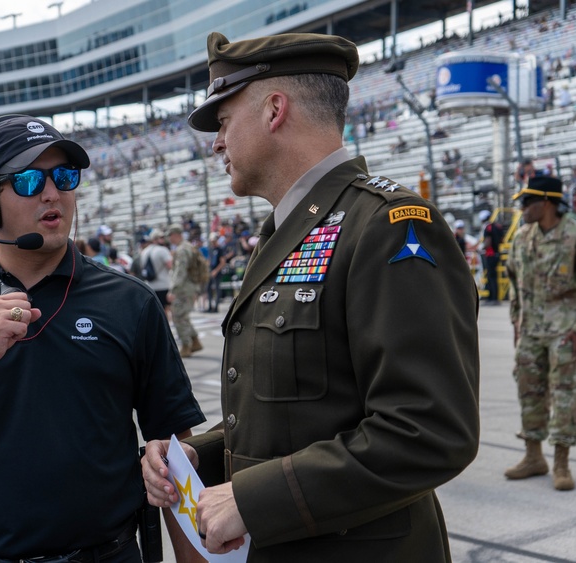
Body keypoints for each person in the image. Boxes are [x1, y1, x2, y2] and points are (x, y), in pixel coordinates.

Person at [141, 33, 479, 561]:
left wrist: (253, 501)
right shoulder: (286, 231)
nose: (216, 142)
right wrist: (197, 456)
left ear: (274, 110)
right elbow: (291, 418)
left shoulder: (386, 226)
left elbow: (429, 432)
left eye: (224, 121)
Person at [0, 114, 205, 563]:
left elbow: (173, 456)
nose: (53, 193)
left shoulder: (131, 302)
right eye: (29, 180)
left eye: (65, 176)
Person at [505, 176, 576, 491]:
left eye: (528, 202)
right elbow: (515, 282)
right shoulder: (522, 238)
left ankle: (561, 463)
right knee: (529, 393)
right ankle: (533, 457)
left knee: (565, 394)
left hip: (565, 332)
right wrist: (516, 321)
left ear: (548, 203)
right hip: (530, 332)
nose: (522, 208)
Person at [166, 224, 202, 357]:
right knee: (183, 316)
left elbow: (180, 271)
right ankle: (195, 341)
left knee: (178, 316)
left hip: (183, 288)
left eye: (170, 236)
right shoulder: (189, 247)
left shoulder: (181, 250)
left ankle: (186, 346)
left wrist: (173, 290)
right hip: (190, 287)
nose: (169, 239)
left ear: (175, 235)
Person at [140, 227, 173, 309]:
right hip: (163, 285)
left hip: (150, 286)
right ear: (155, 239)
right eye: (161, 238)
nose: (163, 239)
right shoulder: (163, 250)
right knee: (166, 310)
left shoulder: (144, 251)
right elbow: (170, 266)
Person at [481, 209, 506, 304]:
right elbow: (502, 240)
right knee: (494, 277)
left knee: (491, 277)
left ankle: (493, 298)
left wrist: (481, 248)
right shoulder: (498, 227)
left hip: (490, 254)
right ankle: (493, 297)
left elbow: (488, 241)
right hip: (497, 254)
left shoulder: (488, 228)